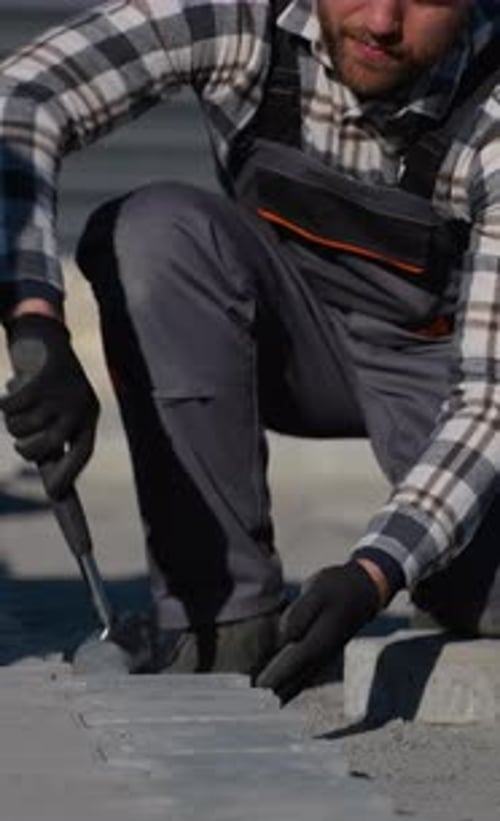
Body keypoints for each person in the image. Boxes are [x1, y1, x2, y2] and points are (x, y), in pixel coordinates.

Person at [0, 0, 499, 700]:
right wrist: (34, 319)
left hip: (442, 371)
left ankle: (457, 583)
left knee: (479, 593)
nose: (383, 21)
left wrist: (376, 571)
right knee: (154, 235)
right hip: (287, 335)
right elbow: (23, 94)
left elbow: (488, 403)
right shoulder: (244, 16)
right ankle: (221, 616)